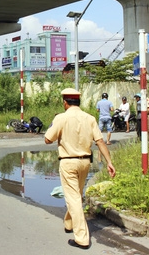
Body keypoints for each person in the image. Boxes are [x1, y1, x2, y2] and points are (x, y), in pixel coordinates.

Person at [44, 88, 116, 250]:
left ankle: (82, 238)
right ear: (78, 101)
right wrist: (109, 162)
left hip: (68, 162)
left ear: (65, 102)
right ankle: (69, 223)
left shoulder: (61, 118)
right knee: (76, 194)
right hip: (85, 162)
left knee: (73, 198)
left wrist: (54, 124)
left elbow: (48, 139)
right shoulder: (89, 118)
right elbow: (100, 142)